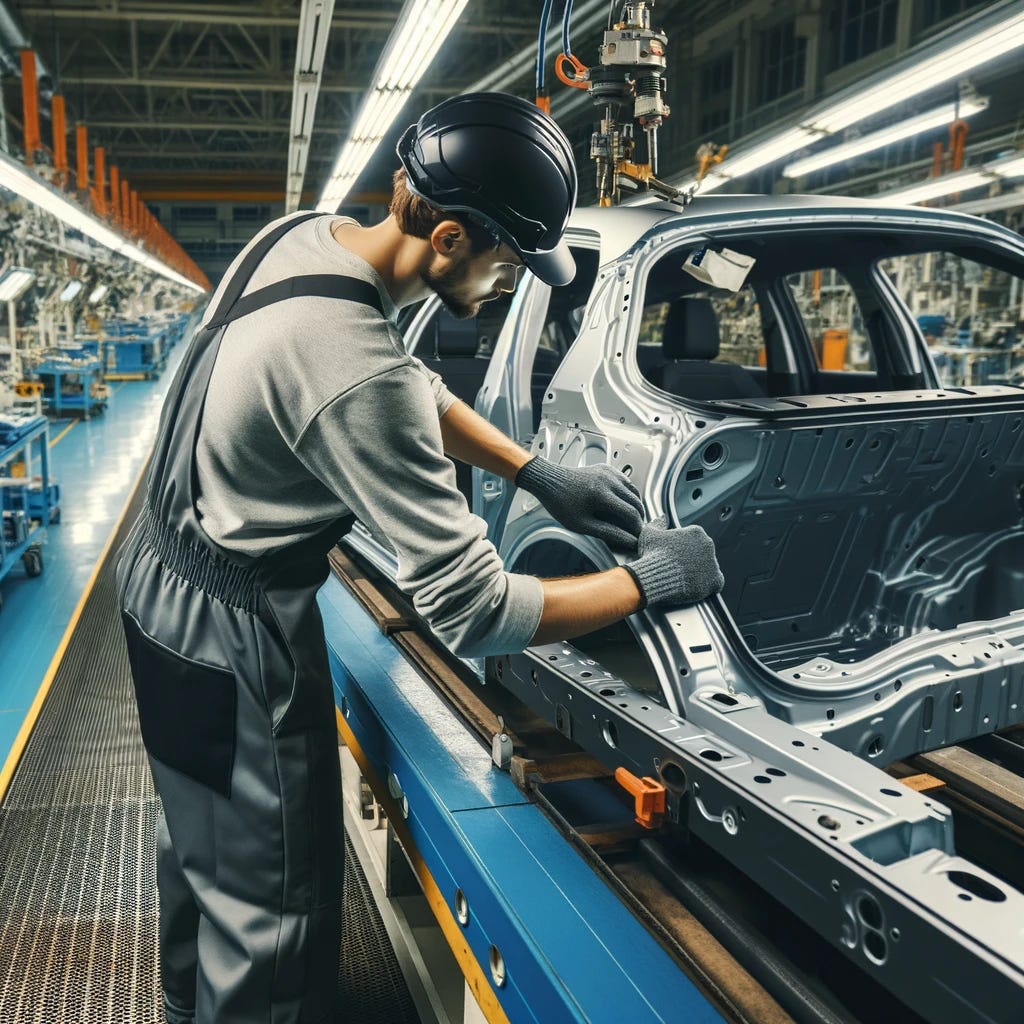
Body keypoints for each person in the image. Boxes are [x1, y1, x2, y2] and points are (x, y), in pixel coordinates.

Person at [116, 92, 723, 1024]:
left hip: (162, 572)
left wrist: (535, 469)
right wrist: (647, 581)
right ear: (447, 238)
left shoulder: (307, 238)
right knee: (271, 898)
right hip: (232, 631)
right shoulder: (354, 367)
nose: (511, 283)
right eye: (510, 261)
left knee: (201, 835)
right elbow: (476, 609)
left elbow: (412, 386)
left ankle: (182, 1004)